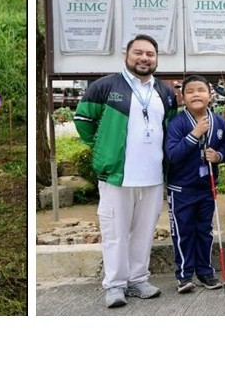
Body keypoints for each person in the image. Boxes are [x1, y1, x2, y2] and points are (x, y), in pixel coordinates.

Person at [74, 34, 178, 309]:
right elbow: (83, 119)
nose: (144, 58)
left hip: (153, 175)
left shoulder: (164, 92)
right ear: (127, 56)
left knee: (144, 230)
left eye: (150, 54)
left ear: (156, 59)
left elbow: (169, 126)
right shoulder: (106, 86)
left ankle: (138, 279)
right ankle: (115, 285)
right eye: (138, 53)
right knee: (115, 231)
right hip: (117, 174)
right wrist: (102, 148)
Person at [163, 74, 225, 293]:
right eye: (190, 91)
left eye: (200, 90)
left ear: (210, 95)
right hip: (181, 188)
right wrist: (194, 134)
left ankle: (205, 271)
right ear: (182, 97)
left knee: (204, 230)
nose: (196, 95)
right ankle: (184, 275)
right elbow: (173, 155)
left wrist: (218, 156)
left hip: (206, 187)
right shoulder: (177, 123)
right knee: (183, 231)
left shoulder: (219, 121)